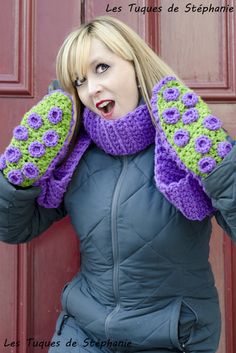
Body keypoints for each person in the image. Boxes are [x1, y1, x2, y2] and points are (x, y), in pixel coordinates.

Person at [0, 16, 235, 353]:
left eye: (101, 68)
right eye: (79, 80)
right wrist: (16, 175)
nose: (91, 89)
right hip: (82, 333)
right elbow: (14, 229)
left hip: (171, 337)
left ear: (135, 64)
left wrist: (219, 163)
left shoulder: (189, 139)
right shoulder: (73, 154)